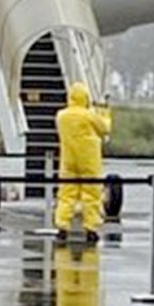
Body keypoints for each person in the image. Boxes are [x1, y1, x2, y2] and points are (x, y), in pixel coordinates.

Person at [54, 81, 112, 244]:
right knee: (91, 194)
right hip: (88, 159)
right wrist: (104, 111)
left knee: (66, 194)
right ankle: (91, 228)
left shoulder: (61, 116)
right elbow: (104, 128)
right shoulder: (89, 115)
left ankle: (62, 226)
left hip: (68, 159)